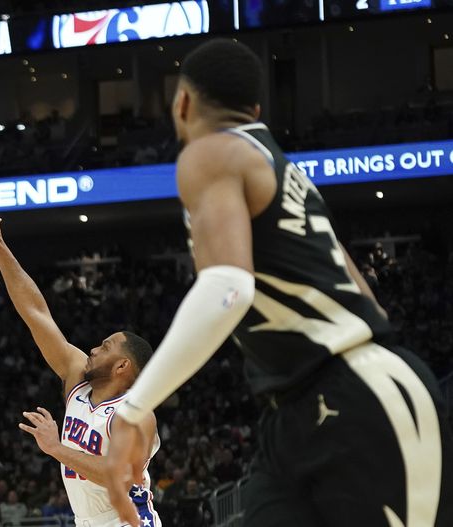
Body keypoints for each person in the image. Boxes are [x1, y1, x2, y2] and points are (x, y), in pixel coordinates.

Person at [102, 38, 453, 527]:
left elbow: (229, 288)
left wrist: (132, 410)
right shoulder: (284, 172)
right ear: (256, 110)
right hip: (300, 406)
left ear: (182, 103)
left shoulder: (210, 151)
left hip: (355, 394)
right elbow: (367, 299)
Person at [0, 199, 161, 527]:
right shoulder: (78, 378)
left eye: (105, 347)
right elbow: (36, 313)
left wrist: (56, 447)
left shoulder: (136, 414)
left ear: (122, 367)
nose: (93, 349)